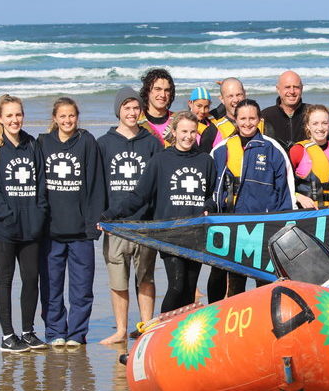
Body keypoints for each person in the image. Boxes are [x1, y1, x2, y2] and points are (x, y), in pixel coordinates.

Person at [101, 111, 216, 313]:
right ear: (173, 131)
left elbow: (211, 197)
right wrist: (110, 214)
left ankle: (181, 337)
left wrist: (208, 208)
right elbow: (139, 196)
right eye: (183, 131)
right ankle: (160, 329)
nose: (188, 136)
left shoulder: (205, 161)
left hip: (197, 234)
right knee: (176, 286)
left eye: (192, 132)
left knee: (189, 289)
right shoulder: (160, 160)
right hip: (169, 233)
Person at [0, 94, 48, 352]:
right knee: (5, 278)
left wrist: (39, 213)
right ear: (0, 118)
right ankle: (8, 336)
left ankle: (27, 332)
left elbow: (41, 182)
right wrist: (8, 215)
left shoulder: (31, 144)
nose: (14, 119)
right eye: (9, 115)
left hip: (31, 226)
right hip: (2, 228)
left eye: (18, 114)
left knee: (31, 278)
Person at [209, 99, 295, 302]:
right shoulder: (221, 150)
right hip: (231, 229)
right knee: (234, 283)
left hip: (264, 229)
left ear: (259, 120)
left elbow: (286, 191)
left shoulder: (273, 149)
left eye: (252, 118)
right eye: (243, 118)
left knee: (265, 283)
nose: (247, 123)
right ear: (235, 120)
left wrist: (285, 225)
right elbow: (211, 190)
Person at [96, 87, 163, 344]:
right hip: (115, 225)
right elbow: (97, 184)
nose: (132, 112)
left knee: (145, 277)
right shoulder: (103, 143)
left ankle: (145, 326)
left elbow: (159, 183)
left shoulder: (151, 143)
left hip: (144, 223)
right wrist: (100, 217)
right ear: (118, 111)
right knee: (118, 280)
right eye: (127, 108)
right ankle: (121, 330)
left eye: (136, 108)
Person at [37, 97, 105, 347]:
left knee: (82, 288)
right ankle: (55, 331)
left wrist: (94, 223)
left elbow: (97, 184)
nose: (67, 120)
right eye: (62, 116)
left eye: (71, 116)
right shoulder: (43, 143)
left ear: (77, 117)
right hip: (51, 231)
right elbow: (37, 186)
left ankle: (76, 334)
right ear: (54, 118)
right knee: (51, 286)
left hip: (80, 232)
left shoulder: (87, 141)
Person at [262, 70, 311, 149]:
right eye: (287, 87)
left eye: (296, 87)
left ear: (302, 89)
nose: (292, 91)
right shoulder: (265, 116)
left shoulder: (312, 113)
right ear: (278, 89)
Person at [138, 68, 176, 147]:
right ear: (147, 91)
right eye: (157, 89)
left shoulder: (178, 120)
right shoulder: (136, 122)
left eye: (167, 90)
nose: (163, 95)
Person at [187, 86, 221, 152]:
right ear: (190, 103)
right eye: (199, 106)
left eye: (206, 107)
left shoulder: (210, 122)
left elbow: (224, 106)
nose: (202, 111)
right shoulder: (181, 123)